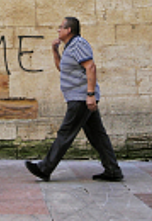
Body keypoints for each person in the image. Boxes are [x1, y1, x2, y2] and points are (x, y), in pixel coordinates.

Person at [25, 17, 123, 182]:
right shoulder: (70, 47)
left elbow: (90, 67)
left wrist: (90, 95)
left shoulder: (78, 44)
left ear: (68, 30)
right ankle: (113, 170)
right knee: (97, 136)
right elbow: (61, 68)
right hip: (79, 98)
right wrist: (55, 50)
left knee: (65, 133)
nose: (58, 30)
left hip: (81, 98)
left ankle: (45, 168)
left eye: (60, 27)